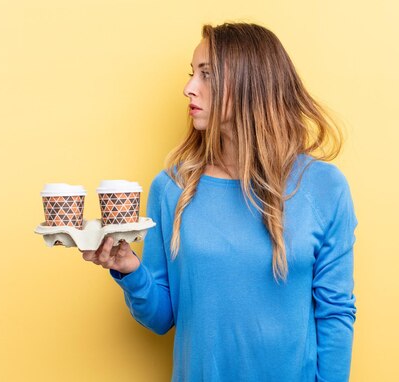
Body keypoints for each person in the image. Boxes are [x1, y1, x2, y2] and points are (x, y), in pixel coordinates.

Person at [80, 22, 358, 382]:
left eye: (206, 75)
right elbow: (163, 316)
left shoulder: (322, 187)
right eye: (192, 73)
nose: (188, 88)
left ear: (249, 85)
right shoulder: (171, 188)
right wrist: (130, 270)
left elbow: (335, 312)